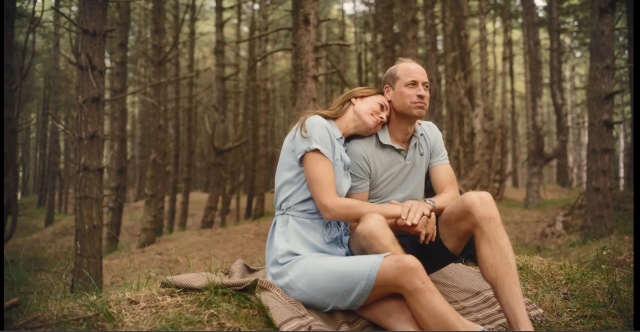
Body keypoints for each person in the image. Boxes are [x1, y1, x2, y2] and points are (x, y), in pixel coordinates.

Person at [265, 86, 487, 330]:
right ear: (355, 98)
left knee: (407, 321)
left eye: (385, 118)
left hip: (337, 258)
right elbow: (330, 206)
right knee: (407, 267)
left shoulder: (344, 149)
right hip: (298, 259)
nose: (382, 117)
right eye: (380, 106)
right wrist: (405, 210)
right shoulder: (317, 126)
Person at [345, 58, 535, 330]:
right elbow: (353, 224)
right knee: (370, 225)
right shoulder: (361, 147)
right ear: (388, 92)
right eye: (411, 85)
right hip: (376, 254)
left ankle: (522, 326)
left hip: (423, 238)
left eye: (426, 86)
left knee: (479, 201)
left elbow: (450, 193)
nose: (422, 92)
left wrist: (424, 206)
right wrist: (403, 219)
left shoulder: (430, 133)